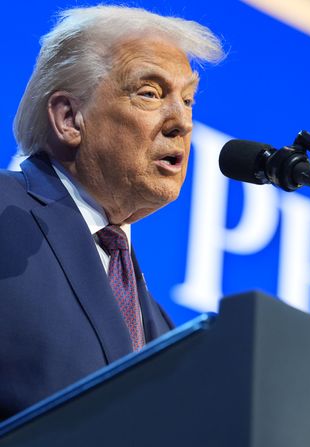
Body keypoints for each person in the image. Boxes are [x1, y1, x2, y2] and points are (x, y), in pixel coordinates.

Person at [0, 5, 223, 420]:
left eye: (188, 100)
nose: (182, 122)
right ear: (69, 118)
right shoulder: (4, 212)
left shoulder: (162, 327)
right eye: (150, 93)